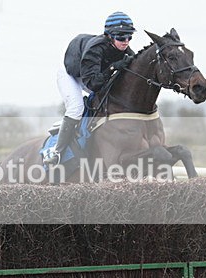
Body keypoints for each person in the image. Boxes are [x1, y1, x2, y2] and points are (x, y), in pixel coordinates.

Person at [44, 11, 137, 165]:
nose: (126, 41)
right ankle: (57, 152)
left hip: (91, 74)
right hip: (72, 75)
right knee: (76, 107)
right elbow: (93, 84)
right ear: (109, 36)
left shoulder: (125, 50)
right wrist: (113, 67)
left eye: (129, 37)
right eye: (121, 37)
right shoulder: (95, 49)